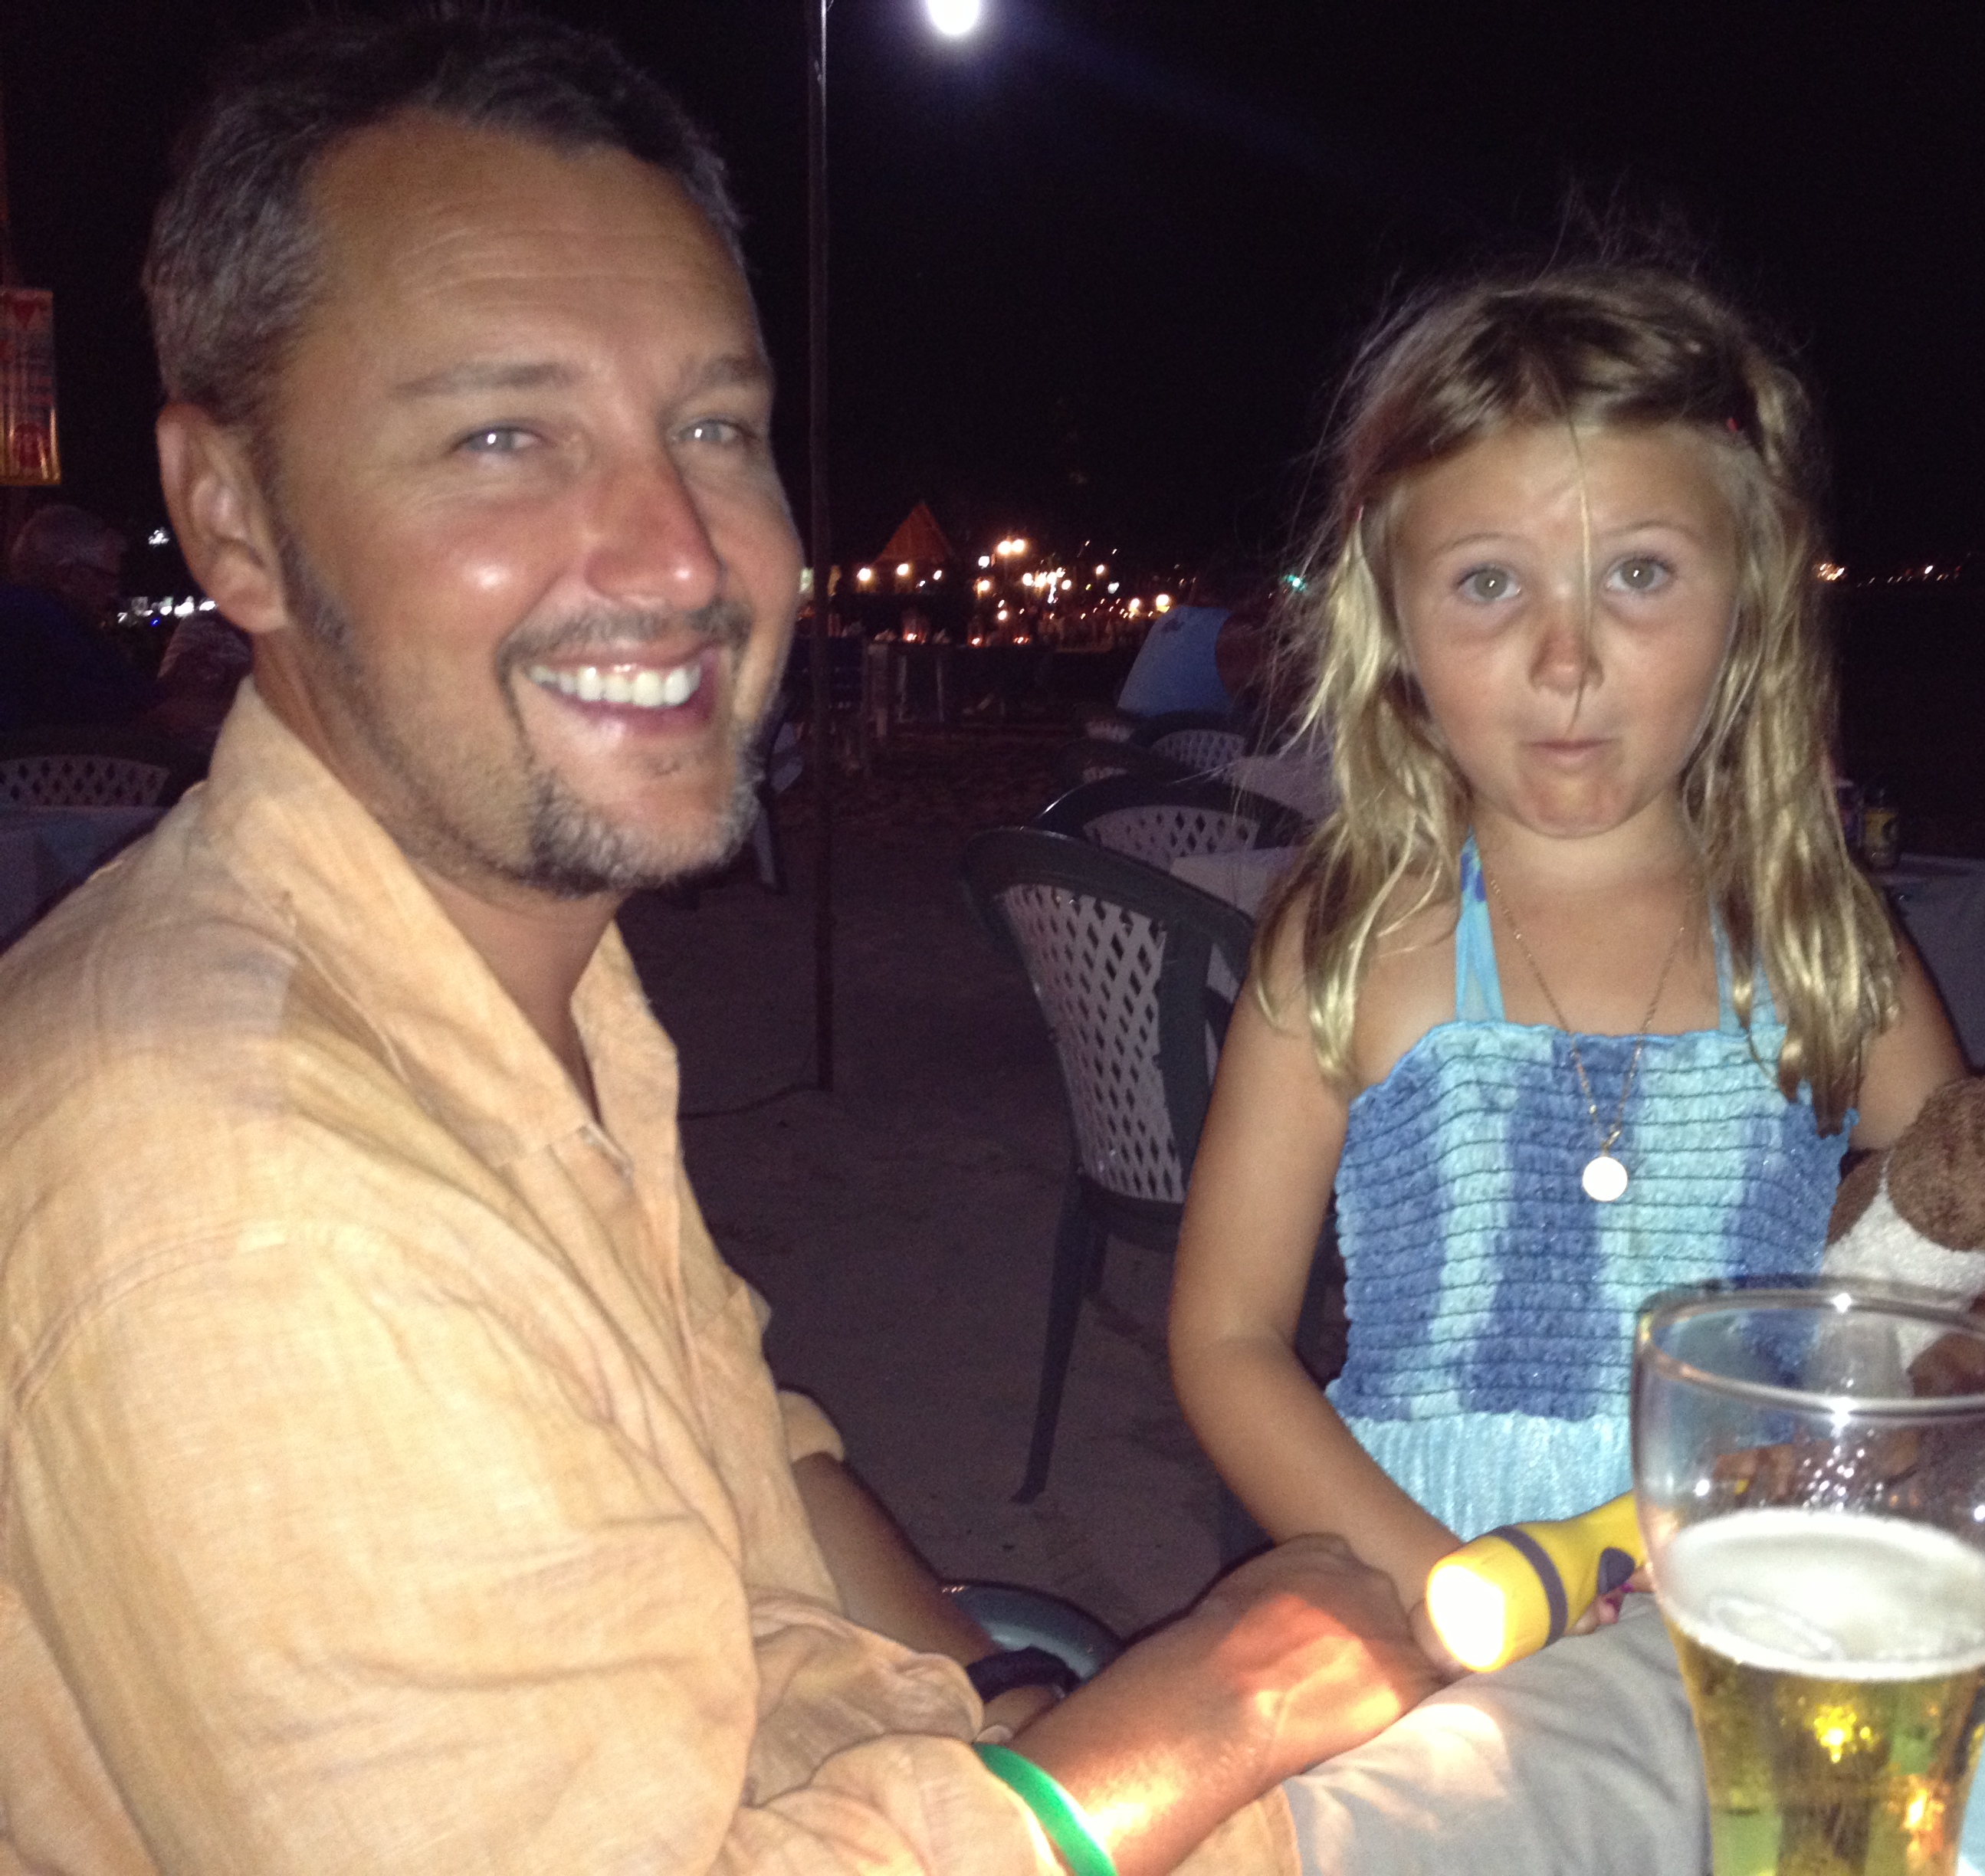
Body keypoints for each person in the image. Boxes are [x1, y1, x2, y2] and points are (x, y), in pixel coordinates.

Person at [0, 18, 1432, 1874]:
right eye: (504, 436)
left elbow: (754, 1431)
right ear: (235, 518)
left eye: (713, 430)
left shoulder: (506, 970)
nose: (680, 556)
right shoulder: (250, 1210)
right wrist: (1166, 1739)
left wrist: (996, 1692)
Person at [1169, 258, 1985, 1627]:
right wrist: (1446, 1585)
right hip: (1425, 1587)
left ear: (1747, 604)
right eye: (1487, 582)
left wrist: (1913, 1410)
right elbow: (1225, 1336)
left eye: (1638, 573)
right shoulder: (1348, 939)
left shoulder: (1820, 940)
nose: (1566, 658)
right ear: (1392, 624)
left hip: (1755, 1578)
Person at [0, 503, 153, 732]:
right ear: (66, 576)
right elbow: (106, 719)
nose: (114, 593)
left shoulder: (32, 612)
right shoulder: (41, 623)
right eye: (107, 578)